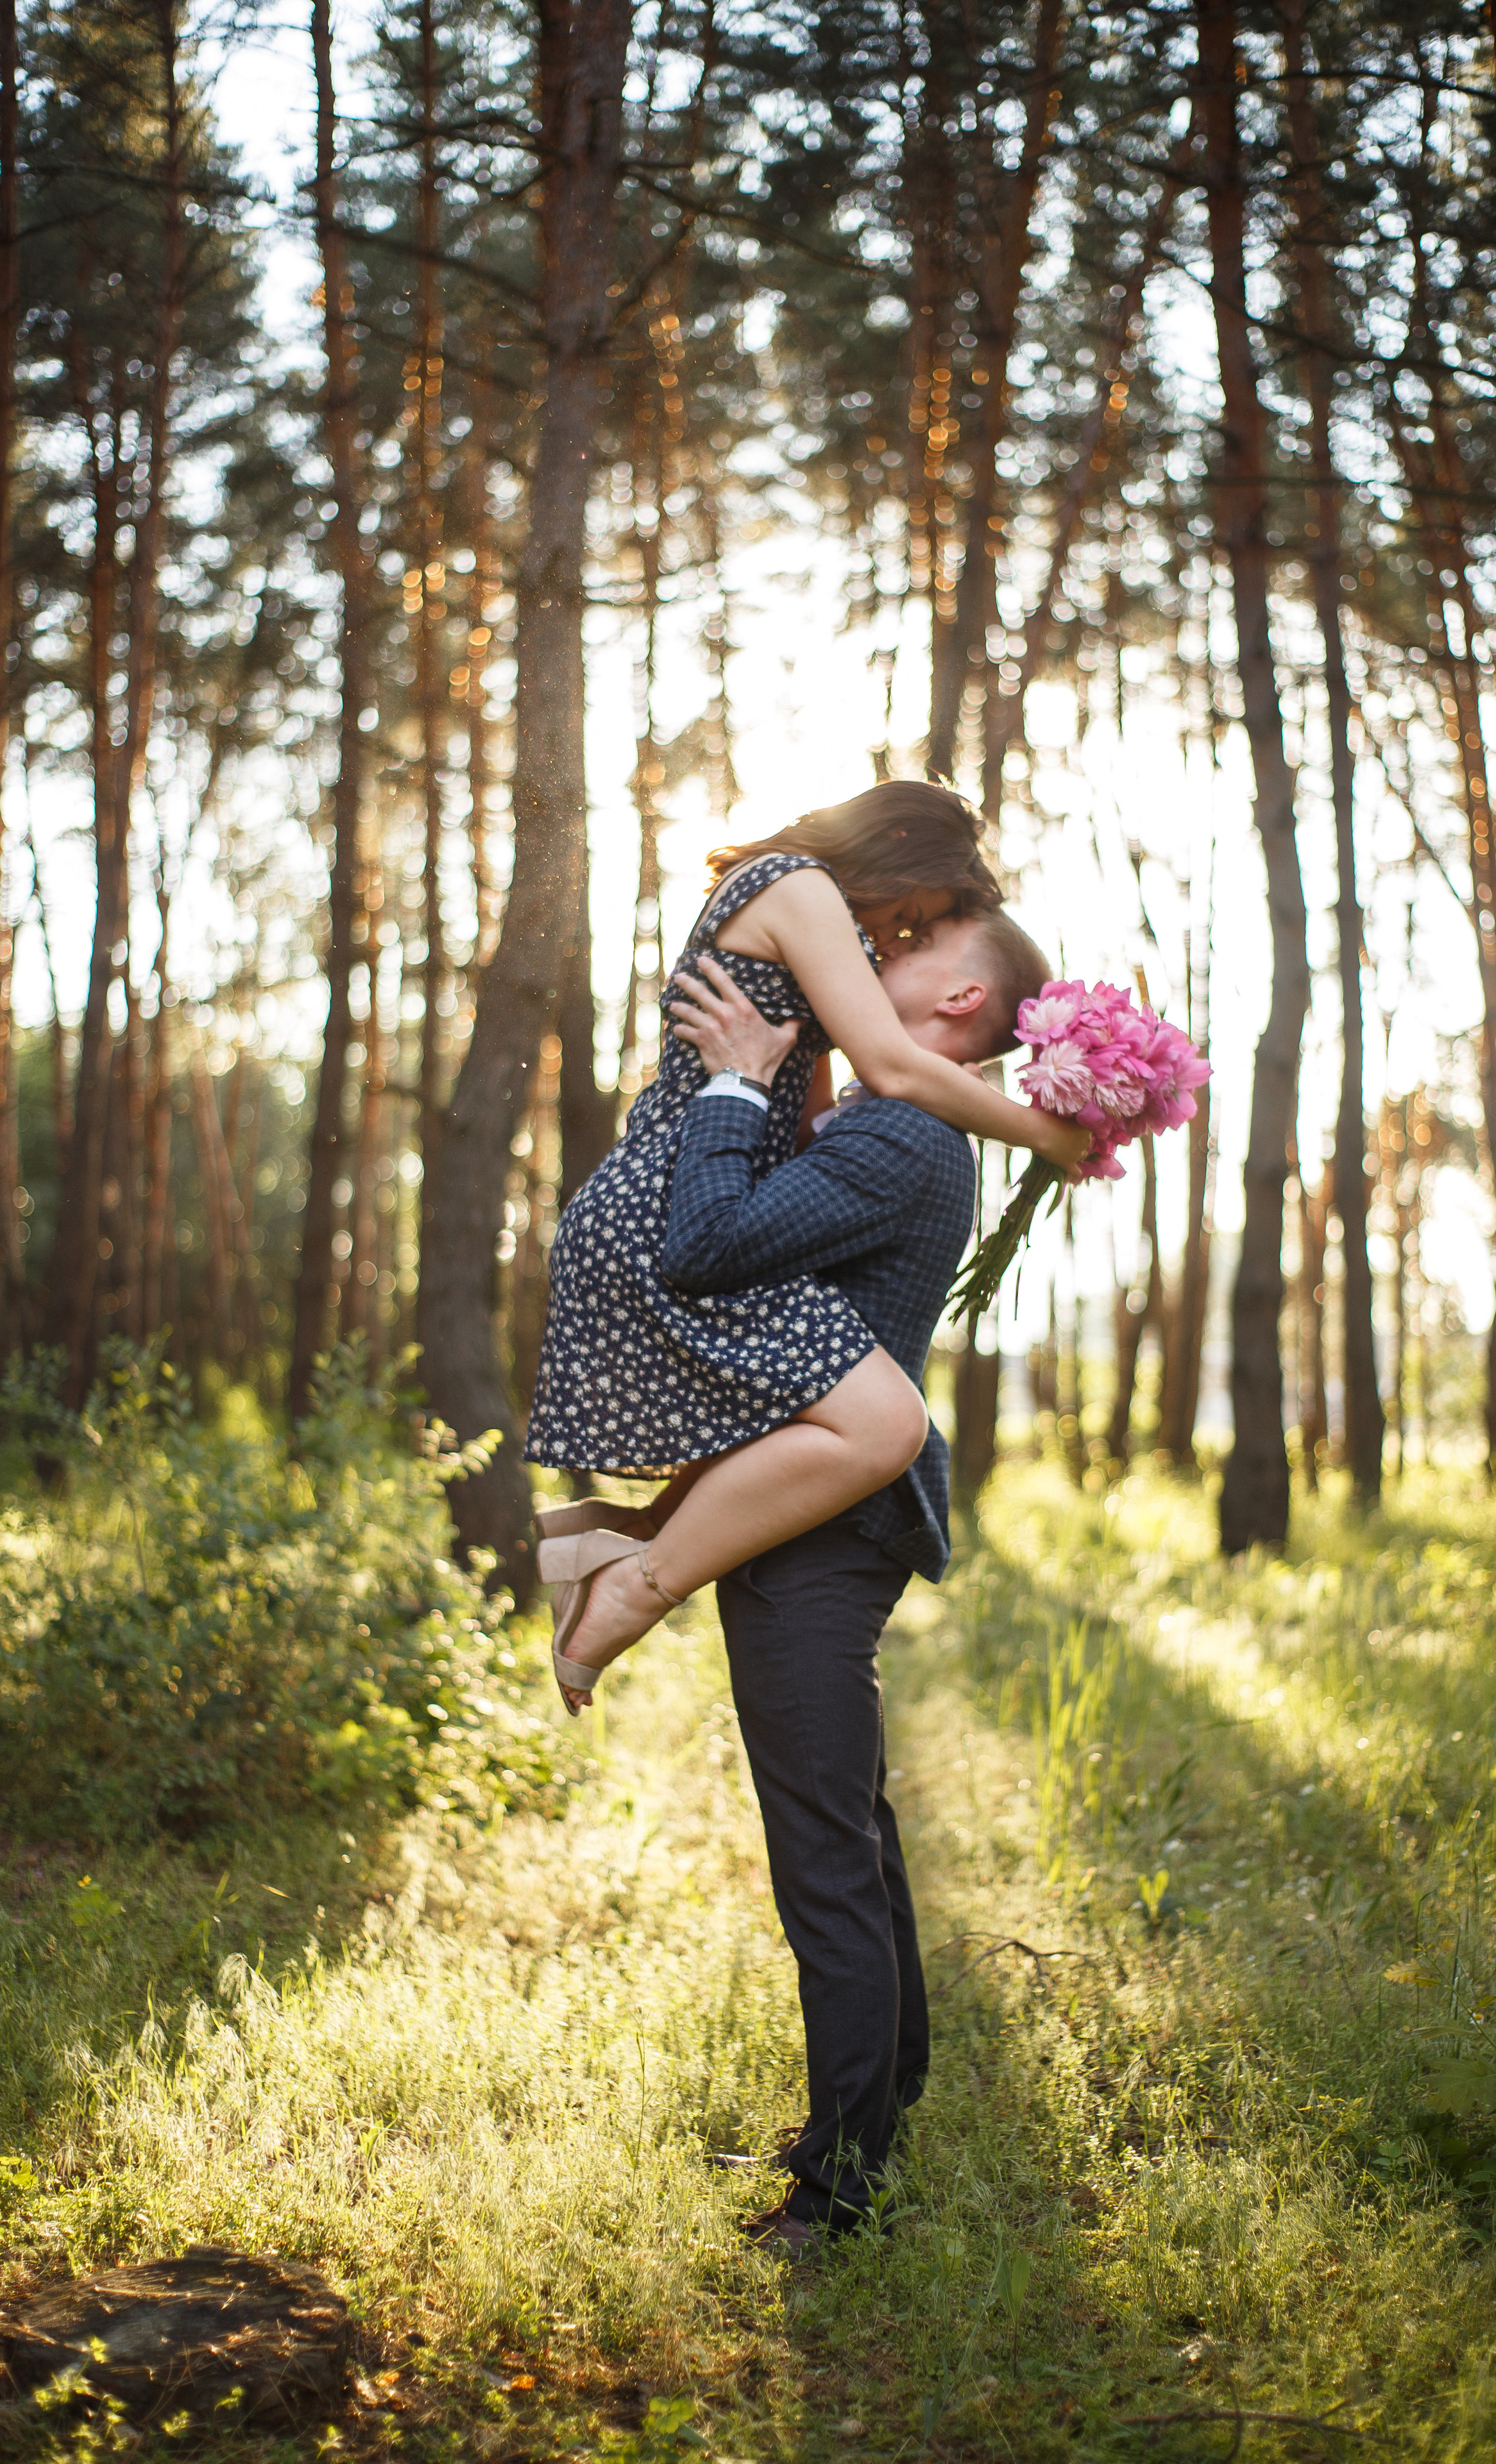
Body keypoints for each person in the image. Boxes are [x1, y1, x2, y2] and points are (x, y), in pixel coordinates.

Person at [657, 904, 1051, 2252]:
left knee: (822, 1850)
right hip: (818, 1517)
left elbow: (703, 1249)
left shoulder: (899, 1133)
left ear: (958, 1000)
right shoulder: (896, 1119)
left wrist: (729, 1082)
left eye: (912, 949)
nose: (874, 956)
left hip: (819, 1534)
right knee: (853, 1832)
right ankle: (878, 2115)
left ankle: (840, 2194)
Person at [525, 782, 1092, 1711]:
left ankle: (621, 1546)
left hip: (699, 1184)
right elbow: (894, 1067)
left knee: (868, 1419)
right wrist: (1048, 1134)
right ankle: (633, 1583)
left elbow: (815, 1112)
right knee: (885, 1421)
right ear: (901, 855)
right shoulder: (794, 886)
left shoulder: (814, 927)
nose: (900, 940)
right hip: (663, 1204)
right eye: (916, 916)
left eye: (918, 932)